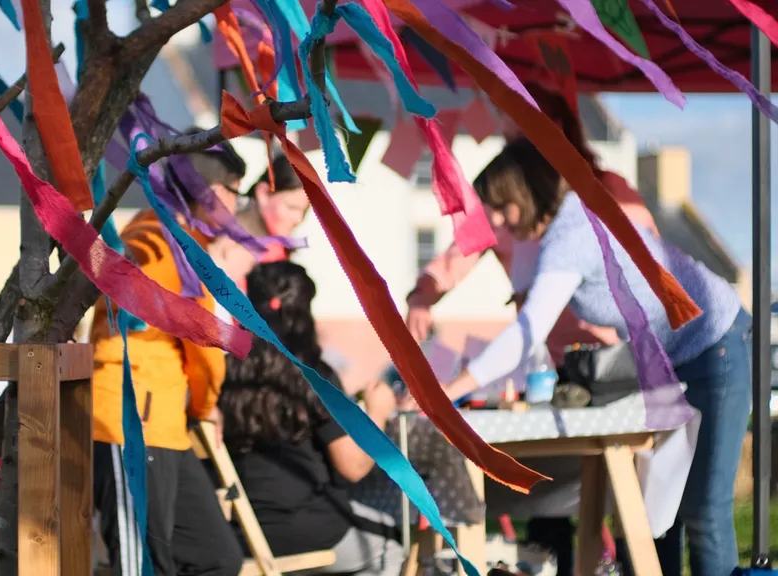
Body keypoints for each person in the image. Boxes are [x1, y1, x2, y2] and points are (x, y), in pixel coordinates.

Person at [445, 139, 749, 576]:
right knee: (660, 509)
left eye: (500, 206)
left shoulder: (571, 235)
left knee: (704, 509)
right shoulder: (570, 227)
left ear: (526, 193)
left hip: (716, 344)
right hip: (675, 362)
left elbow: (525, 334)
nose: (495, 220)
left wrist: (447, 390)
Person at [405, 82, 658, 360]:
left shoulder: (609, 188)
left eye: (522, 140)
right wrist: (420, 298)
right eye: (510, 143)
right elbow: (451, 262)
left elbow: (653, 265)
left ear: (557, 129)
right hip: (550, 362)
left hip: (620, 356)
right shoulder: (500, 208)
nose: (517, 156)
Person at [90, 141, 247, 576]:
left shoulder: (150, 233)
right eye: (237, 190)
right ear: (209, 190)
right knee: (141, 565)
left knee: (216, 556)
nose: (240, 203)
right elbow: (205, 347)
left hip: (162, 424)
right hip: (130, 420)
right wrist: (205, 407)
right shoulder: (166, 246)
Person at [217, 262, 403, 576]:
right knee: (391, 544)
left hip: (241, 534)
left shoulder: (225, 373)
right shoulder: (314, 376)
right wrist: (378, 412)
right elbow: (353, 467)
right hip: (310, 531)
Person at [210, 155, 309, 291]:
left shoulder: (270, 245)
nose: (298, 218)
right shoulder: (225, 239)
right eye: (291, 207)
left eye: (303, 211)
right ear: (263, 193)